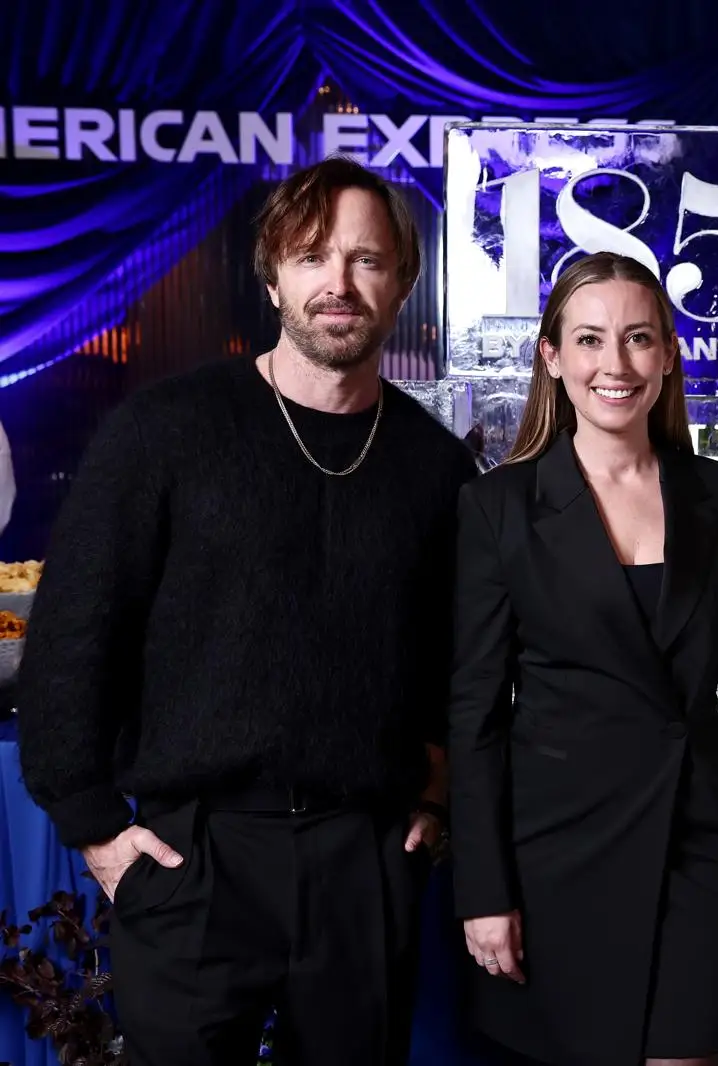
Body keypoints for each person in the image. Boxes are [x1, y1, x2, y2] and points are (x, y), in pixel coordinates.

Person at [16, 157, 476, 1066]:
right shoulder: (165, 432)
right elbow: (73, 634)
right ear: (272, 278)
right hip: (197, 855)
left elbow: (459, 655)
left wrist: (434, 789)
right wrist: (96, 829)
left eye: (365, 260)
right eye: (310, 258)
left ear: (405, 282)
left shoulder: (435, 467)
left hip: (361, 855)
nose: (337, 284)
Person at [449, 251, 718, 1066]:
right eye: (591, 340)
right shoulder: (498, 508)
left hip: (695, 842)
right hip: (554, 860)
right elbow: (473, 718)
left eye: (639, 339)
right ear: (553, 357)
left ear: (670, 353)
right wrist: (485, 892)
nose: (616, 363)